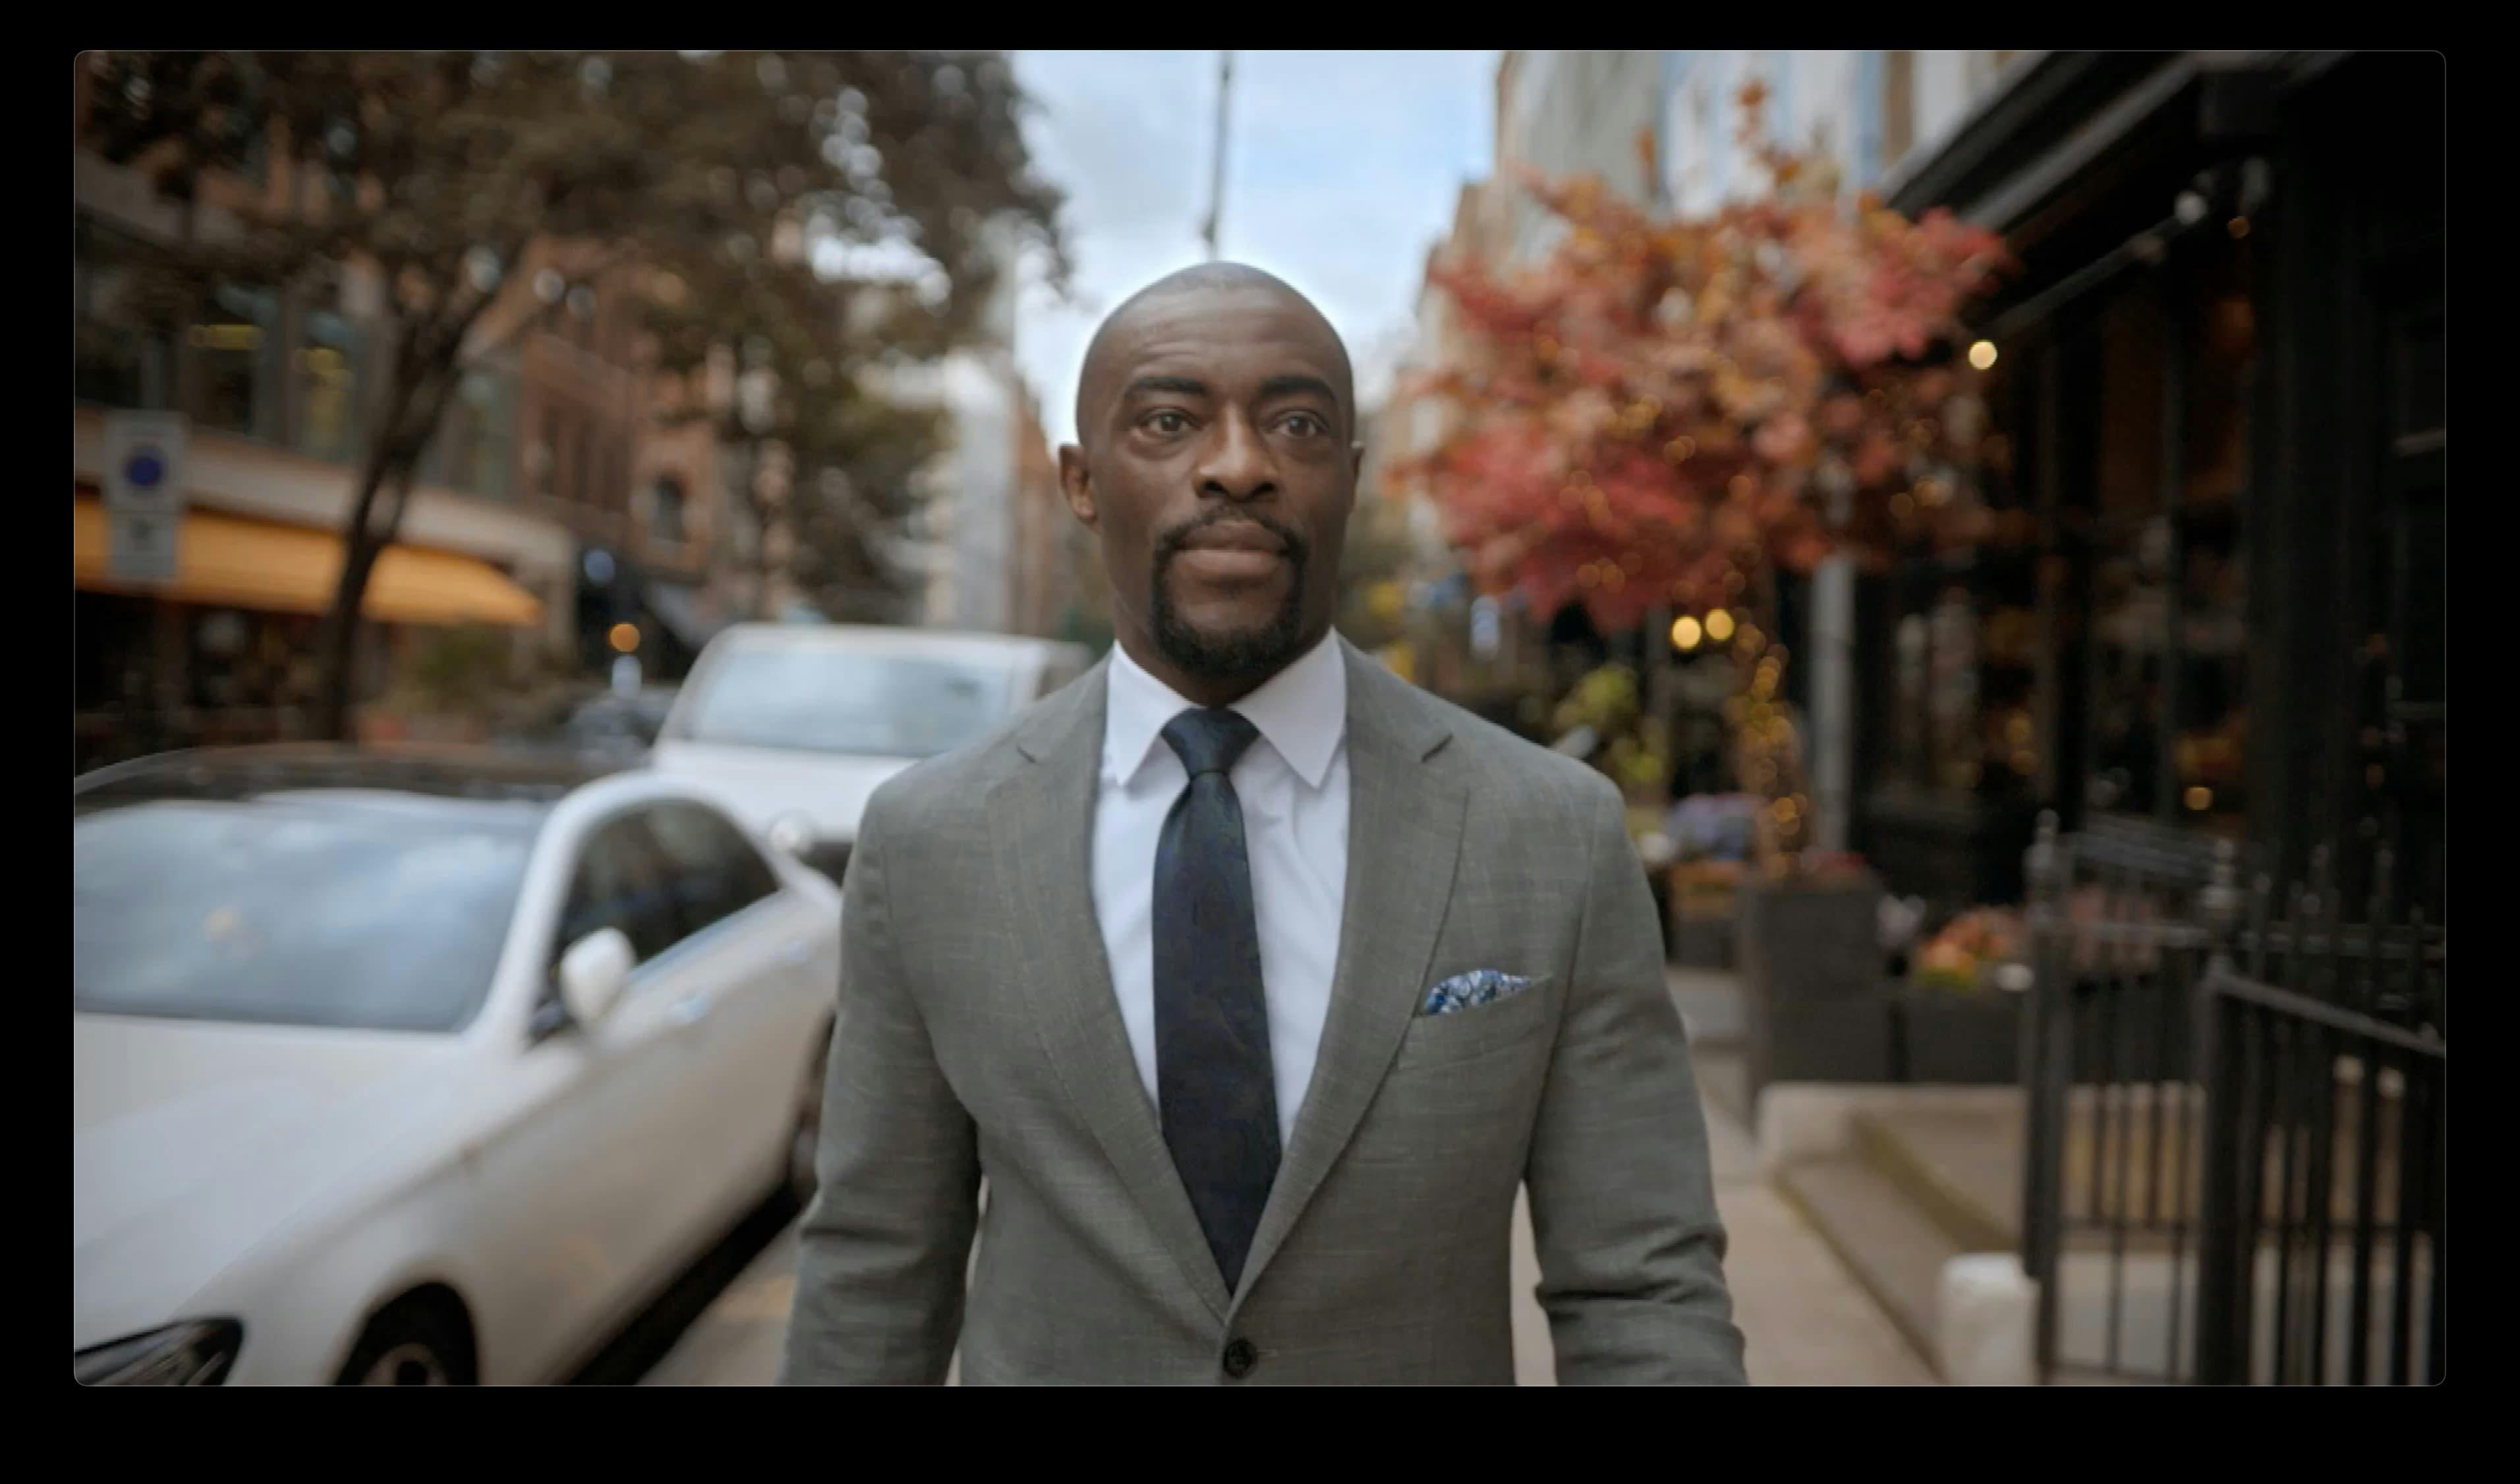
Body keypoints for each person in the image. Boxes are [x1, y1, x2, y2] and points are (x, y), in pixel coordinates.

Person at [780, 263, 1746, 1386]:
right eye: (1169, 420)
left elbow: (1643, 1290)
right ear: (1083, 482)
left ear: (1350, 478)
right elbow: (874, 1275)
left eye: (1294, 422)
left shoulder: (1551, 835)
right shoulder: (930, 841)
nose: (1238, 465)